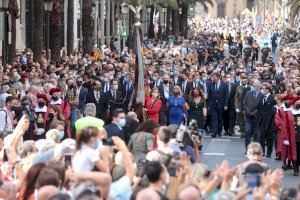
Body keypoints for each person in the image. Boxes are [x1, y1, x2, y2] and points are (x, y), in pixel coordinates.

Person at [275, 96, 297, 171]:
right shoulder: (280, 110)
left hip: (292, 132)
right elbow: (278, 120)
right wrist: (282, 127)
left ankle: (290, 163)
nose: (288, 102)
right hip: (283, 132)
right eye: (286, 101)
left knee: (292, 148)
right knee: (284, 148)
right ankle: (284, 163)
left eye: (289, 101)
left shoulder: (293, 111)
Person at [243, 80, 263, 150]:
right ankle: (247, 148)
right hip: (248, 117)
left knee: (256, 135)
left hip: (256, 118)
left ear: (259, 87)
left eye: (255, 85)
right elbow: (244, 103)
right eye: (253, 85)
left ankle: (255, 149)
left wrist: (254, 113)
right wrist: (248, 112)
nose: (254, 87)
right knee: (247, 131)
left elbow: (261, 107)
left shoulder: (261, 95)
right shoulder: (248, 93)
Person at [207, 73, 229, 137]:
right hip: (213, 105)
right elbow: (209, 95)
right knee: (214, 119)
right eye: (213, 77)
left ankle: (219, 133)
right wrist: (208, 104)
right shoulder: (211, 84)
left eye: (214, 77)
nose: (213, 79)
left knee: (220, 119)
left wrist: (226, 105)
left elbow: (226, 95)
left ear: (218, 77)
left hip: (221, 105)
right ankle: (214, 132)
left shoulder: (224, 84)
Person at [258, 82, 276, 157]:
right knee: (261, 137)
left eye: (264, 89)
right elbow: (259, 108)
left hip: (270, 121)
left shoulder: (272, 98)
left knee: (269, 138)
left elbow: (273, 111)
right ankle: (262, 152)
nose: (262, 90)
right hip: (262, 121)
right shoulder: (261, 97)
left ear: (268, 90)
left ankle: (269, 153)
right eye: (262, 88)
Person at [292, 100, 300, 176]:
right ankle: (296, 167)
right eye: (297, 103)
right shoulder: (291, 113)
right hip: (294, 136)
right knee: (296, 152)